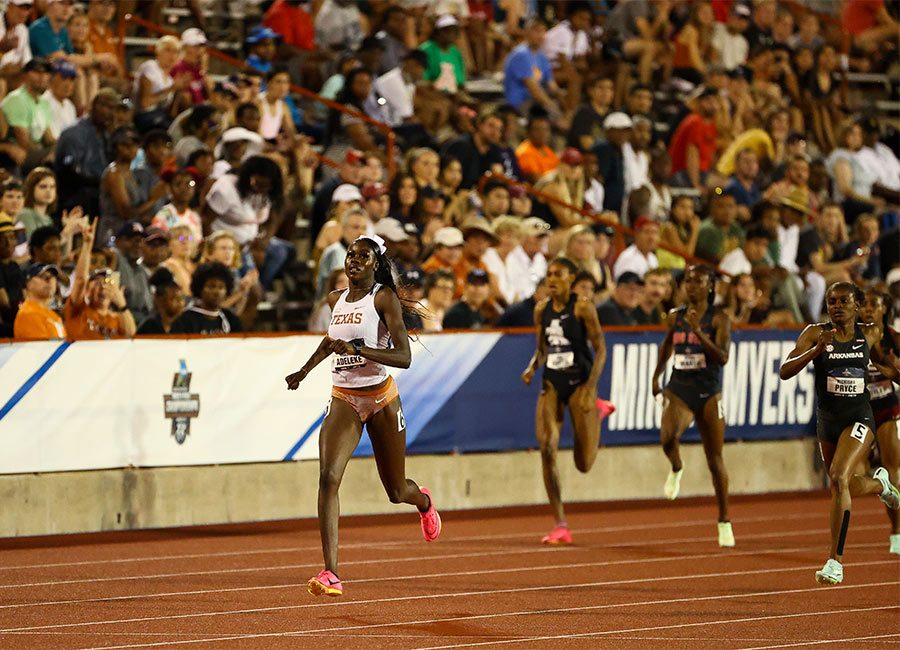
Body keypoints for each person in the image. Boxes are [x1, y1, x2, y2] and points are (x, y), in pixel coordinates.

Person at [285, 234, 441, 598]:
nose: (353, 260)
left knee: (396, 490)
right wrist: (304, 371)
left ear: (375, 264)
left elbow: (403, 357)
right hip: (344, 399)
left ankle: (425, 502)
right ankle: (331, 573)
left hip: (382, 399)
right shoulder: (335, 299)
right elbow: (330, 339)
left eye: (363, 256)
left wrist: (361, 348)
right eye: (350, 255)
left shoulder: (383, 298)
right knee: (328, 477)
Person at [780, 282, 900, 584]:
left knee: (838, 475)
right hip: (827, 420)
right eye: (832, 301)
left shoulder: (869, 334)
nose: (836, 306)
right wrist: (817, 350)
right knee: (840, 483)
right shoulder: (813, 333)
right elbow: (785, 370)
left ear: (856, 305)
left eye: (844, 301)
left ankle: (835, 561)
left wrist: (890, 371)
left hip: (859, 417)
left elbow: (886, 364)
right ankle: (879, 484)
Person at [521, 256, 611, 544]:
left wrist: (591, 387)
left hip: (580, 382)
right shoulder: (541, 310)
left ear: (571, 279)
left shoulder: (583, 307)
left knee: (583, 463)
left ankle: (597, 410)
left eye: (558, 274)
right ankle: (560, 524)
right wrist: (532, 367)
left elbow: (601, 349)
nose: (551, 279)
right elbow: (542, 348)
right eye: (548, 274)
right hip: (552, 381)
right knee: (547, 447)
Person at [652, 265, 734, 547]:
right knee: (666, 439)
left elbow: (722, 357)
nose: (692, 285)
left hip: (709, 391)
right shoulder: (675, 316)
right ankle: (677, 467)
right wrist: (656, 376)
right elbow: (667, 345)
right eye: (688, 281)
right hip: (680, 387)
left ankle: (724, 519)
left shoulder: (720, 318)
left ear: (710, 286)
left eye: (699, 281)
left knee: (715, 459)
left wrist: (699, 333)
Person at [859, 290, 900, 554]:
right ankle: (878, 485)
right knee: (850, 473)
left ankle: (896, 531)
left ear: (884, 309)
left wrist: (885, 365)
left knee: (892, 467)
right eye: (864, 305)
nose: (869, 310)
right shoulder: (851, 335)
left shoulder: (893, 338)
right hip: (858, 409)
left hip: (886, 408)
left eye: (875, 305)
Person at [65, 217, 136, 339]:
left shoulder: (117, 318)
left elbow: (131, 334)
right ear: (88, 290)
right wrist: (87, 244)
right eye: (97, 283)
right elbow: (80, 280)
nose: (103, 286)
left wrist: (122, 305)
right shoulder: (78, 310)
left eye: (107, 282)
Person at [171, 262, 242, 334]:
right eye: (211, 286)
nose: (217, 292)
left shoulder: (231, 319)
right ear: (200, 289)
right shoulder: (185, 320)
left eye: (221, 287)